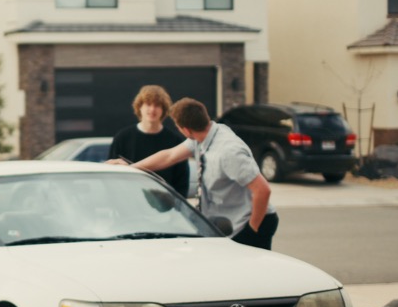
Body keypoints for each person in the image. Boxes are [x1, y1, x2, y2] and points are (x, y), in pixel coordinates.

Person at [109, 98, 278, 250]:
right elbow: (169, 156)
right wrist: (131, 168)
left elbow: (263, 190)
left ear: (185, 129)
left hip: (252, 223)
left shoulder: (228, 152)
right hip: (228, 224)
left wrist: (252, 230)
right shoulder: (202, 136)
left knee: (249, 280)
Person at [108, 85, 190, 196]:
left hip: (165, 206)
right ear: (139, 107)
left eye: (157, 105)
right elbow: (111, 175)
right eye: (148, 104)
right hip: (128, 202)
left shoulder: (175, 141)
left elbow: (182, 182)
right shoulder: (122, 138)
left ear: (163, 109)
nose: (152, 109)